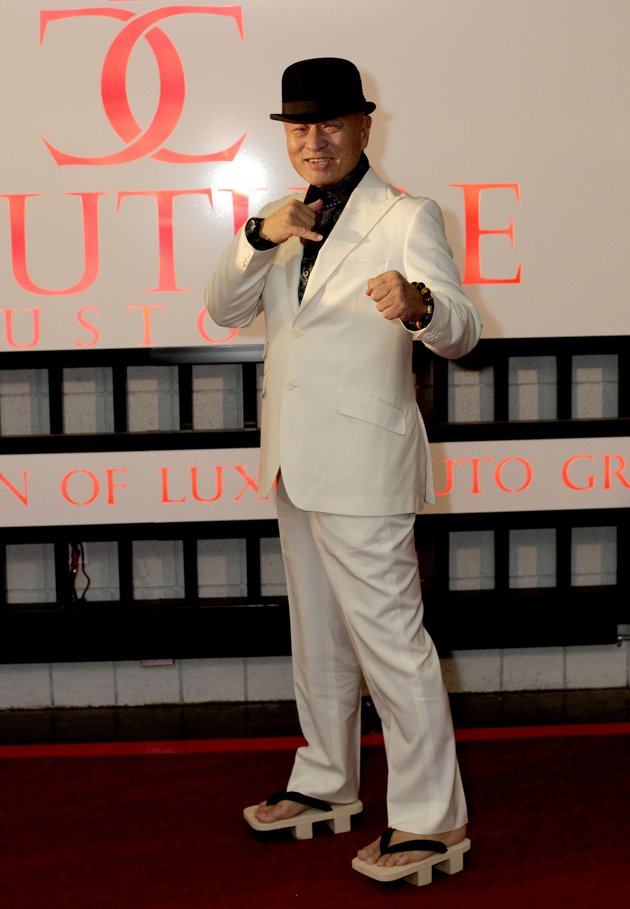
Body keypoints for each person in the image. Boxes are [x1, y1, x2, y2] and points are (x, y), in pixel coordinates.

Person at [205, 57, 481, 884]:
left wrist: (420, 304)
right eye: (300, 126)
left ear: (365, 125)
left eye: (330, 124)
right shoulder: (277, 220)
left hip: (365, 461)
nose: (314, 141)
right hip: (294, 459)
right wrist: (261, 237)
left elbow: (463, 330)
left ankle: (433, 820)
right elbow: (222, 308)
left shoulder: (406, 215)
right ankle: (327, 780)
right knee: (318, 636)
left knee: (392, 643)